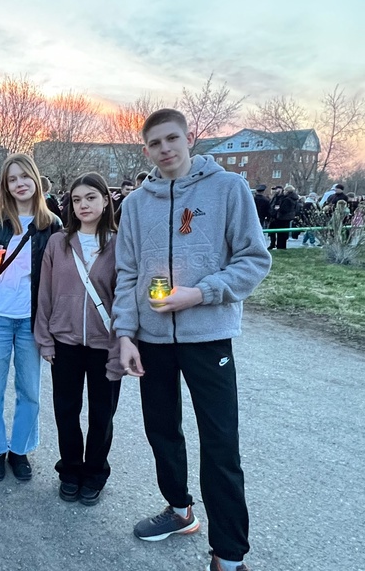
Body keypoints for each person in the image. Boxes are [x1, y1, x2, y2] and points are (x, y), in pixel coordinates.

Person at [113, 109, 270, 571]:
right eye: (155, 143)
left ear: (189, 139)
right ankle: (179, 510)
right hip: (152, 339)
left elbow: (254, 260)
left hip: (208, 337)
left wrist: (199, 294)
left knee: (220, 443)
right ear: (146, 150)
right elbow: (126, 274)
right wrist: (125, 334)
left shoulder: (228, 189)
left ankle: (229, 555)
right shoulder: (136, 204)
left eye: (172, 139)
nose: (164, 149)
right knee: (161, 430)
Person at [0, 153, 61, 482]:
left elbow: (58, 275)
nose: (20, 183)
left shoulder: (52, 224)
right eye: (12, 179)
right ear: (5, 186)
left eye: (25, 176)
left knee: (29, 390)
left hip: (30, 319)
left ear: (36, 179)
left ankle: (20, 450)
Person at [34, 172, 122, 506]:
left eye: (90, 197)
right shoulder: (58, 243)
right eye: (76, 199)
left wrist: (124, 342)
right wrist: (45, 338)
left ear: (106, 201)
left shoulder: (120, 244)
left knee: (102, 413)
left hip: (105, 344)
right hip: (65, 341)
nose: (83, 205)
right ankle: (70, 470)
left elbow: (126, 297)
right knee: (66, 410)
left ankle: (95, 472)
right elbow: (45, 293)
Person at [267, 185, 284, 250]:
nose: (276, 190)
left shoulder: (282, 197)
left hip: (278, 217)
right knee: (272, 232)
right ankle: (272, 244)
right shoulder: (274, 197)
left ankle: (278, 245)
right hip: (272, 216)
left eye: (277, 189)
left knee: (279, 232)